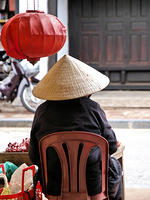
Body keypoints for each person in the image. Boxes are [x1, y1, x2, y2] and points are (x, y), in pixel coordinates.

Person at [29, 55, 122, 200]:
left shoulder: (42, 111)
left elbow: (34, 156)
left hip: (54, 187)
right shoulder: (93, 109)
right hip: (93, 187)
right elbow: (112, 147)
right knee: (115, 165)